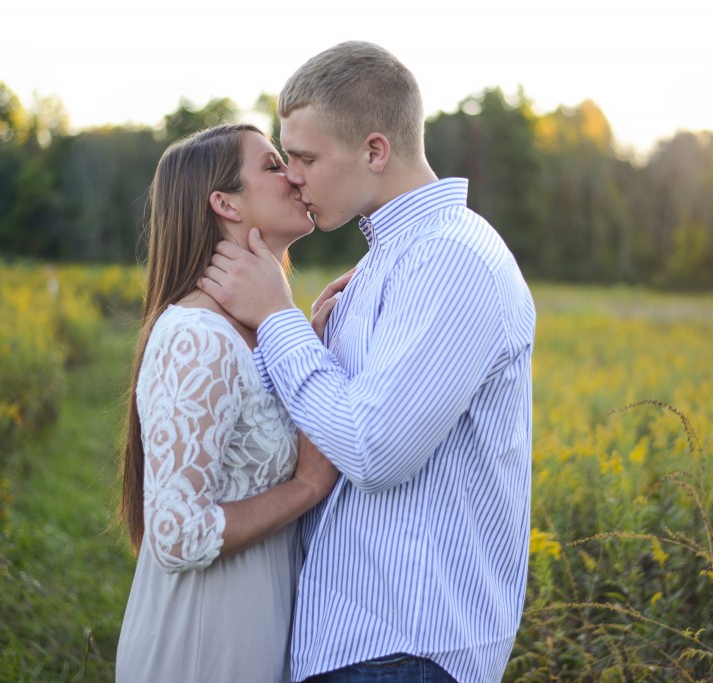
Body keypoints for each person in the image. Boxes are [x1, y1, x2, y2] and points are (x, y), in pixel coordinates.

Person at [199, 41, 536, 682]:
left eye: (305, 157)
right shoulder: (393, 259)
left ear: (375, 151)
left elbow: (373, 451)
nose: (292, 175)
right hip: (364, 643)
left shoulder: (452, 260)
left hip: (406, 647)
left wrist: (277, 320)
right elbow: (321, 422)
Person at [115, 123, 339, 682]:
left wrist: (299, 334)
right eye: (270, 165)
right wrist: (306, 489)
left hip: (253, 630)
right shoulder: (198, 338)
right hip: (202, 645)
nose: (293, 174)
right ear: (224, 204)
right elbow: (176, 533)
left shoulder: (256, 332)